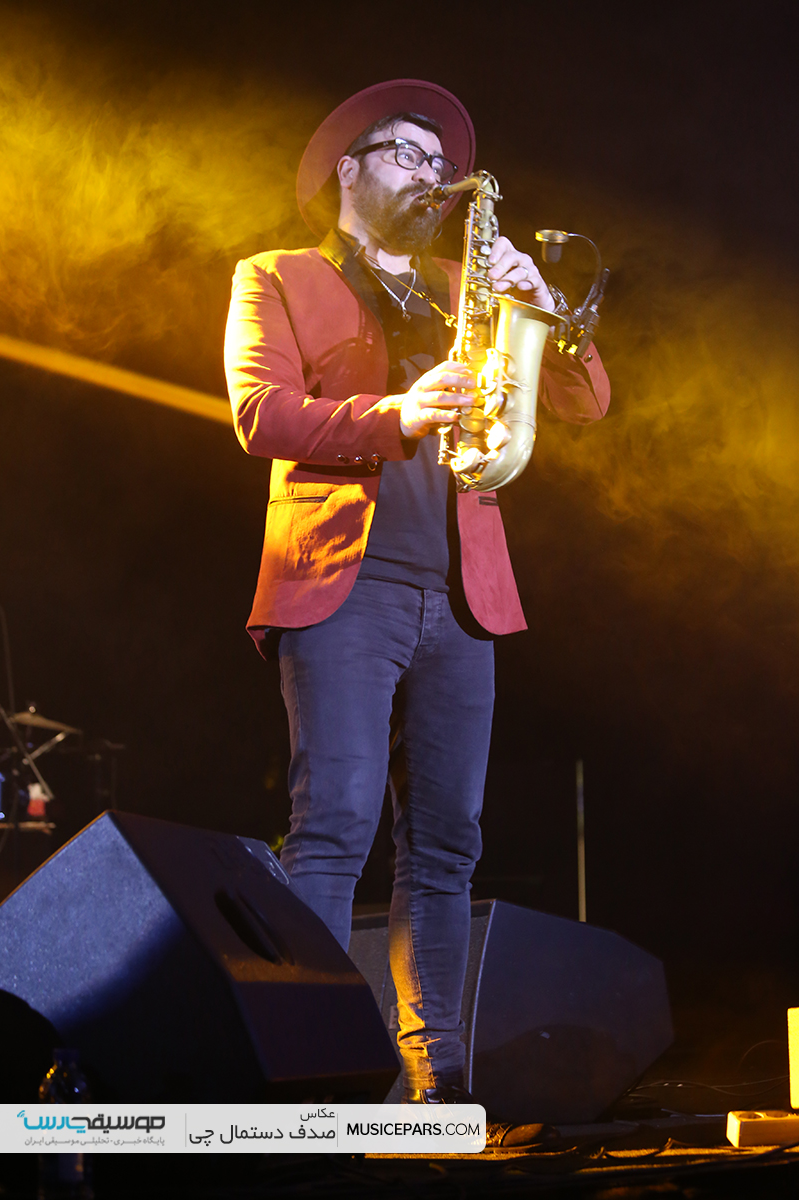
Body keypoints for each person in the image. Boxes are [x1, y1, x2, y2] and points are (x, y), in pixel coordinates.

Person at [224, 80, 610, 1143]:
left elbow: (584, 402)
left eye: (440, 163)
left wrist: (545, 308)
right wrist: (395, 412)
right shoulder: (277, 275)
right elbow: (260, 414)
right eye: (404, 153)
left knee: (446, 848)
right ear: (344, 169)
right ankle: (304, 1088)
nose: (430, 176)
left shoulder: (461, 285)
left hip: (462, 596)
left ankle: (439, 1092)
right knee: (335, 827)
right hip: (343, 584)